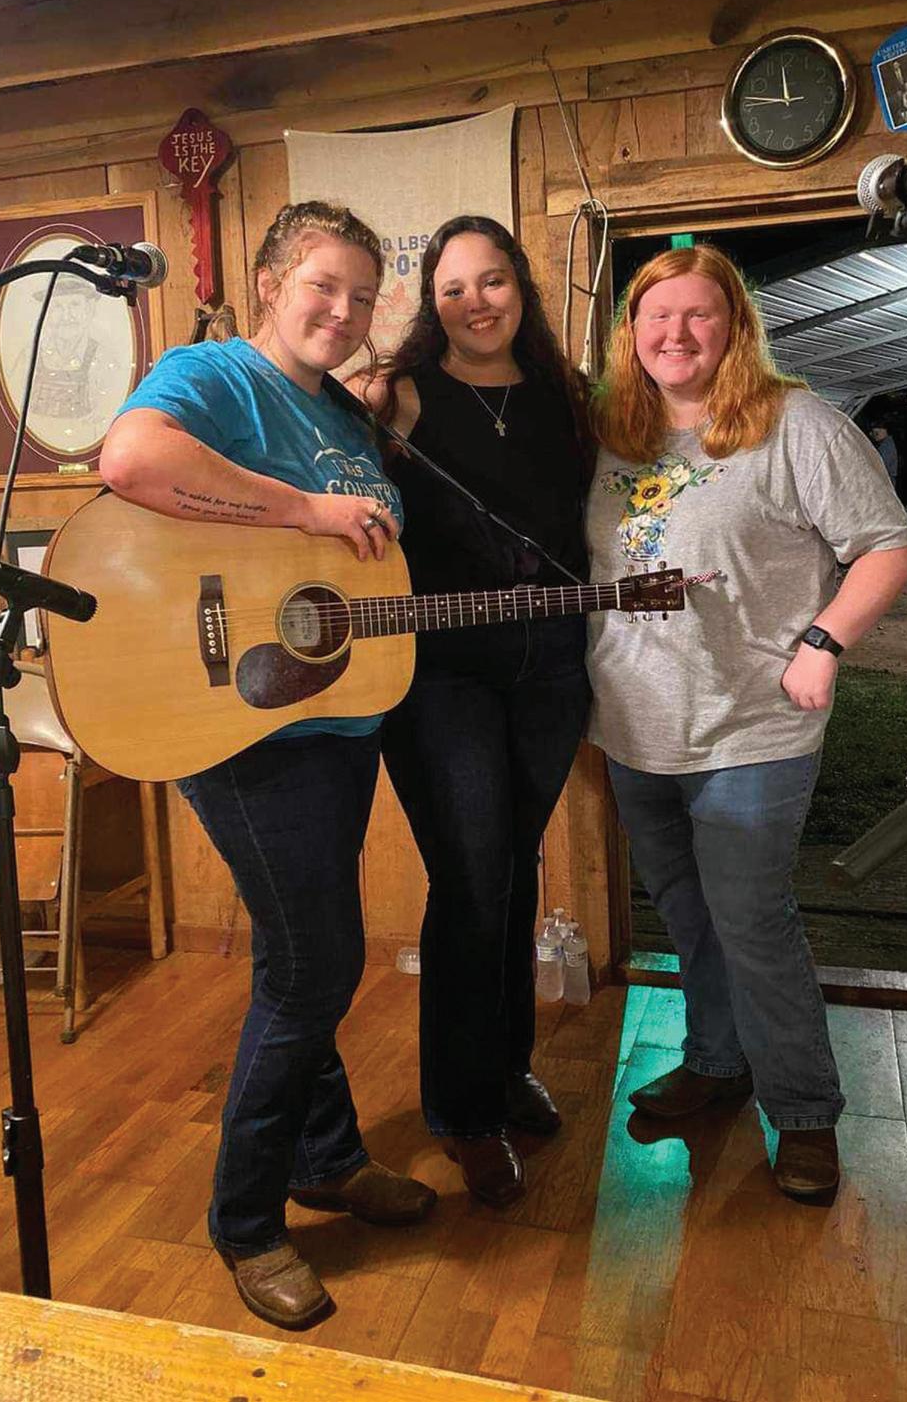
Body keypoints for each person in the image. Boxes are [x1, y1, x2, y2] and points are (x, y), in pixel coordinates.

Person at [98, 201, 435, 1332]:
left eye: (361, 295)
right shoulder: (215, 375)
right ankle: (245, 1220)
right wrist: (304, 507)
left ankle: (327, 1158)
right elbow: (132, 459)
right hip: (237, 726)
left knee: (307, 954)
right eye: (322, 285)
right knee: (315, 964)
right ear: (270, 281)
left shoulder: (339, 408)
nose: (342, 311)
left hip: (329, 719)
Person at [588, 245, 907, 1201]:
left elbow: (887, 544)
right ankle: (716, 1059)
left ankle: (805, 1110)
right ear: (631, 333)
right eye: (656, 316)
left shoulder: (792, 422)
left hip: (751, 729)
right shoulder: (611, 432)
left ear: (734, 325)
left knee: (751, 920)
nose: (676, 333)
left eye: (698, 314)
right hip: (633, 724)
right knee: (685, 912)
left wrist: (822, 641)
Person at [357, 216, 594, 1207]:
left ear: (520, 286)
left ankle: (503, 1067)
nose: (475, 302)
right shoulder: (398, 395)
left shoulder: (566, 395)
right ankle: (462, 1112)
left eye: (491, 280)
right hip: (441, 673)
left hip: (551, 667)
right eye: (453, 288)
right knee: (469, 875)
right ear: (431, 301)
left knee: (514, 866)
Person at [868, 422, 899, 491]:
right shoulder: (885, 444)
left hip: (886, 479)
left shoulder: (887, 446)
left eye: (876, 433)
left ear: (884, 431)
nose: (873, 435)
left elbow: (882, 465)